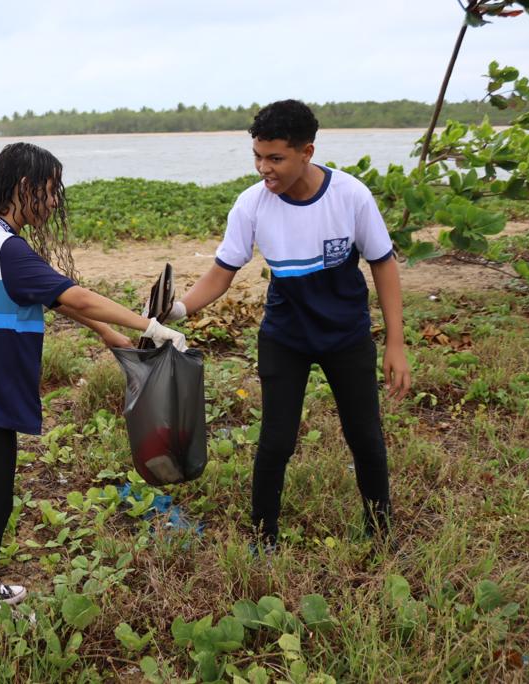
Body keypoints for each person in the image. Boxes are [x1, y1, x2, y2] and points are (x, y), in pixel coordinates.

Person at [0, 142, 187, 614]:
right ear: (25, 188)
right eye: (50, 192)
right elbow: (80, 296)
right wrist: (149, 326)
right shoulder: (9, 250)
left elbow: (57, 299)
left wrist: (115, 339)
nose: (54, 203)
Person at [165, 100, 411, 550]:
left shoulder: (350, 195)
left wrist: (396, 341)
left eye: (275, 158)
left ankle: (380, 533)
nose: (264, 168)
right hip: (286, 337)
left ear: (307, 152)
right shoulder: (252, 204)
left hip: (346, 336)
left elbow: (382, 263)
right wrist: (179, 310)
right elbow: (222, 272)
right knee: (276, 441)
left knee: (365, 437)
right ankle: (264, 538)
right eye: (258, 156)